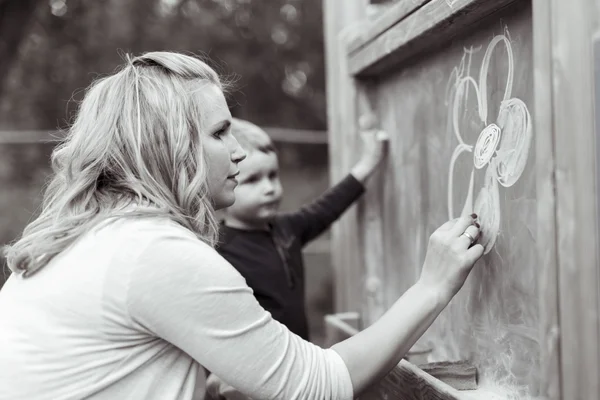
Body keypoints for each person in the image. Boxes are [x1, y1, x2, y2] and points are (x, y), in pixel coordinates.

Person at [0, 51, 484, 400]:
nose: (237, 151)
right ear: (170, 149)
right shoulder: (153, 251)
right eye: (218, 133)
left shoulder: (92, 236)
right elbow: (319, 385)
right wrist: (432, 285)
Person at [216, 117, 386, 341]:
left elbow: (327, 208)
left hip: (300, 359)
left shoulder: (287, 229)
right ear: (223, 185)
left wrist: (368, 163)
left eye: (273, 176)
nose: (269, 188)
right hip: (258, 367)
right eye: (253, 180)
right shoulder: (218, 251)